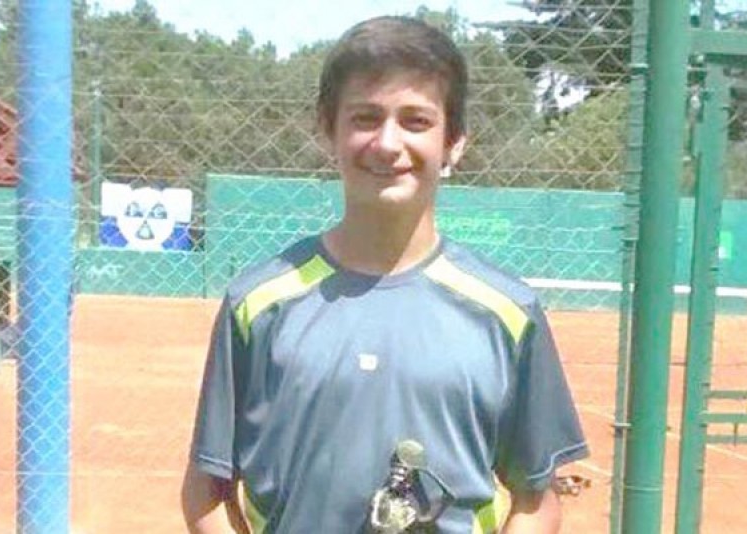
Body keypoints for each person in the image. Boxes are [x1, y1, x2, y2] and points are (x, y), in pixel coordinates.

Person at [181, 15, 588, 534]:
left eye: (416, 121)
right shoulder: (258, 303)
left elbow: (536, 501)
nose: (388, 143)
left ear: (454, 142)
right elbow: (206, 493)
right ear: (328, 130)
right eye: (365, 118)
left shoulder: (507, 311)